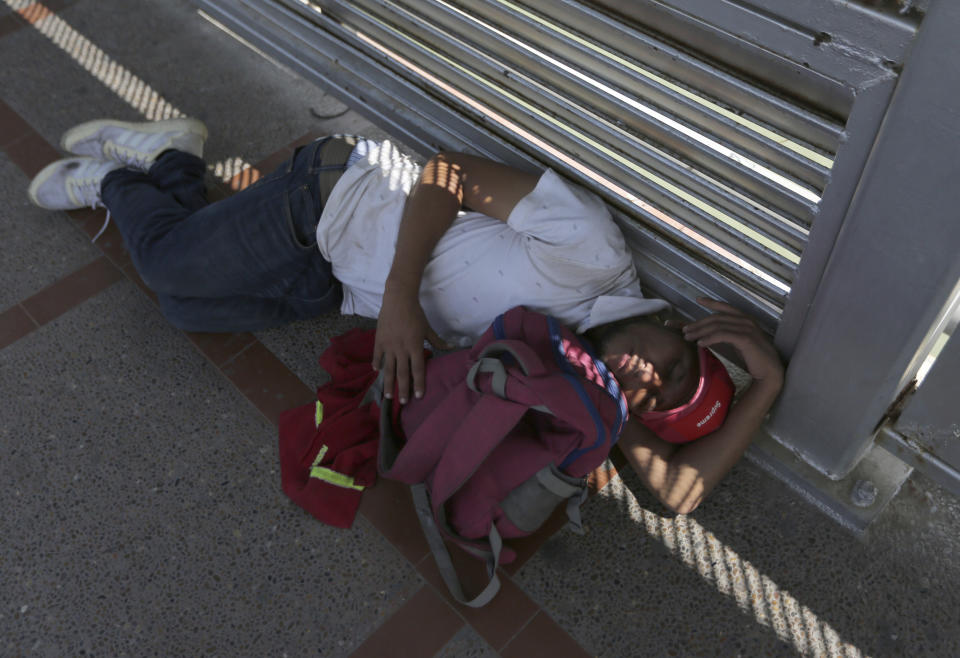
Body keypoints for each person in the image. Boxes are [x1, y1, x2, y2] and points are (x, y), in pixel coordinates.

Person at [27, 118, 783, 514]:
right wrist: (399, 302)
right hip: (330, 197)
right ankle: (135, 174)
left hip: (331, 280)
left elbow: (675, 494)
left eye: (654, 400)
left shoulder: (593, 379)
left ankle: (176, 158)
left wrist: (769, 386)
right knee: (164, 269)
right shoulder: (591, 254)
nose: (647, 379)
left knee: (186, 310)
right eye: (674, 367)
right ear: (685, 327)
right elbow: (444, 174)